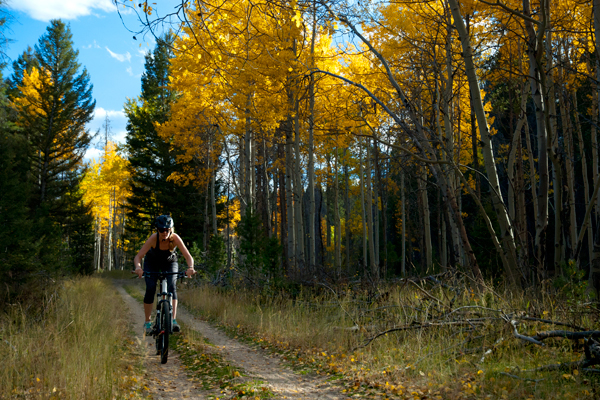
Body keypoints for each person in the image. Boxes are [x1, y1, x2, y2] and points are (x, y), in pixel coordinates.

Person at [133, 215, 195, 334]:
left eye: (167, 230)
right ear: (157, 230)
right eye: (162, 230)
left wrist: (190, 267)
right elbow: (138, 256)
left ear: (171, 229)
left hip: (170, 263)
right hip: (152, 263)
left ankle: (173, 320)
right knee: (150, 288)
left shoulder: (175, 238)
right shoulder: (153, 238)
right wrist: (138, 267)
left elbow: (188, 256)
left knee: (172, 286)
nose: (164, 232)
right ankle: (147, 322)